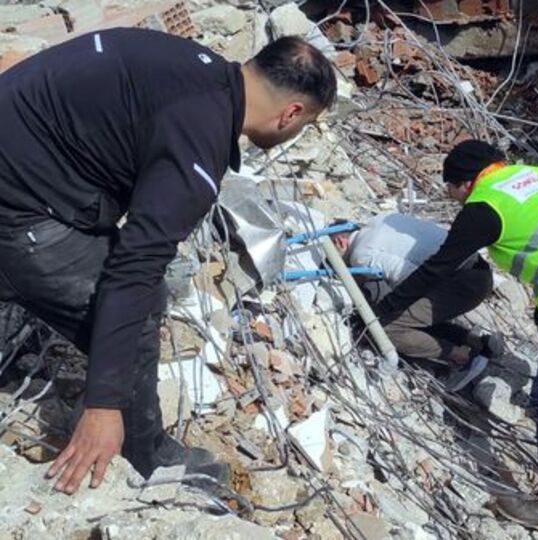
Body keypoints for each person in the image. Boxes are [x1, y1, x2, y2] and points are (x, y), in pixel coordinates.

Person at [0, 28, 336, 494]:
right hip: (19, 211)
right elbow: (134, 269)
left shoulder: (188, 61)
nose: (300, 132)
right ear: (291, 112)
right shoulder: (199, 145)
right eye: (308, 124)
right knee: (138, 312)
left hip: (20, 154)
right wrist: (104, 404)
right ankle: (145, 457)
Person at [374, 140, 538, 532]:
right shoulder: (526, 176)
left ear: (465, 184)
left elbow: (437, 269)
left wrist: (386, 310)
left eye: (452, 190)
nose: (453, 199)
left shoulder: (482, 210)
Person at [331, 213, 502, 391]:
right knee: (408, 315)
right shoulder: (380, 219)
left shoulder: (360, 255)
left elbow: (413, 281)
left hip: (463, 285)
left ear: (340, 242)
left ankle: (461, 357)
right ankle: (477, 341)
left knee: (386, 327)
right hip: (479, 271)